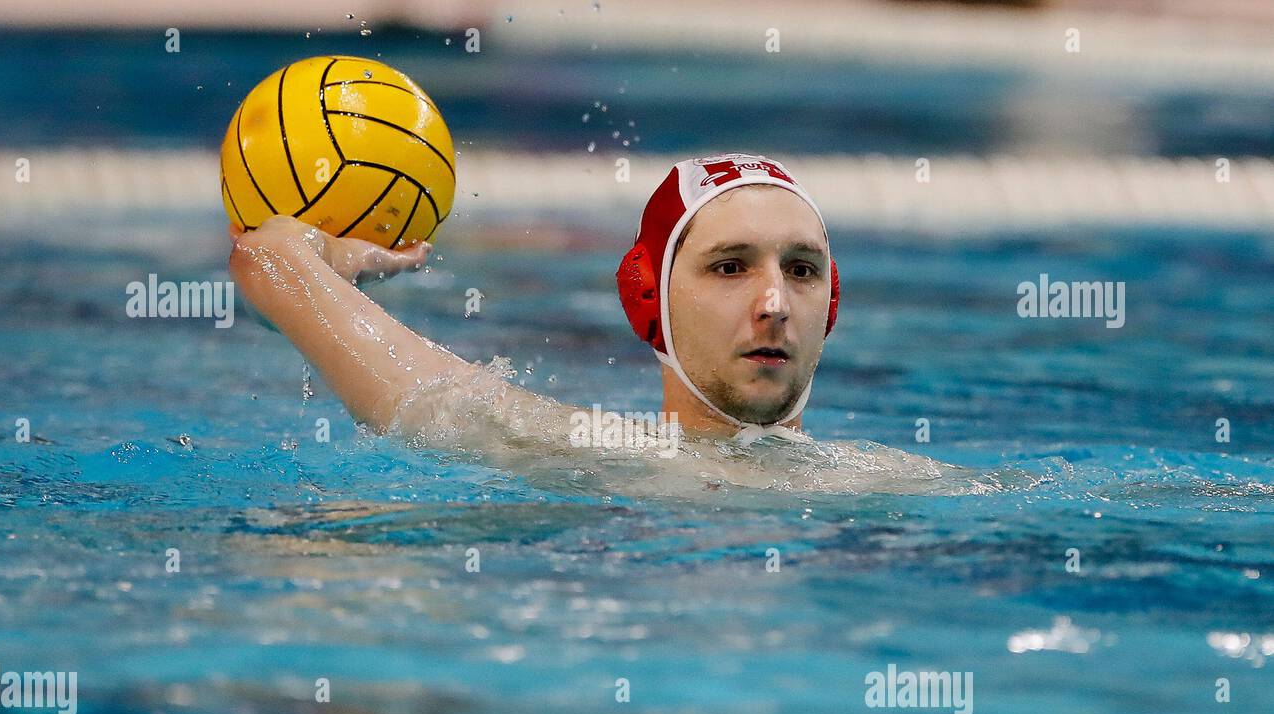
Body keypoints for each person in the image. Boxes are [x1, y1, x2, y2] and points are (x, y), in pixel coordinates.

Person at [229, 152, 984, 494]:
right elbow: (266, 262)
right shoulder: (579, 448)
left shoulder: (903, 481)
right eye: (730, 267)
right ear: (648, 301)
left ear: (833, 306)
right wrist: (336, 251)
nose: (775, 302)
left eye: (802, 269)